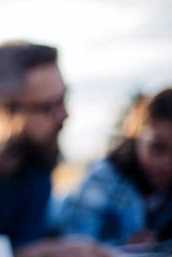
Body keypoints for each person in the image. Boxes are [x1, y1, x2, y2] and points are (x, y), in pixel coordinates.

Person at [0, 40, 124, 257]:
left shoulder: (36, 166)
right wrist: (42, 256)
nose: (64, 115)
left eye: (63, 100)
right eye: (47, 107)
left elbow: (26, 246)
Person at [57, 88, 172, 244]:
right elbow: (75, 242)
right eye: (157, 148)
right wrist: (125, 247)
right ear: (136, 136)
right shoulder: (102, 181)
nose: (167, 162)